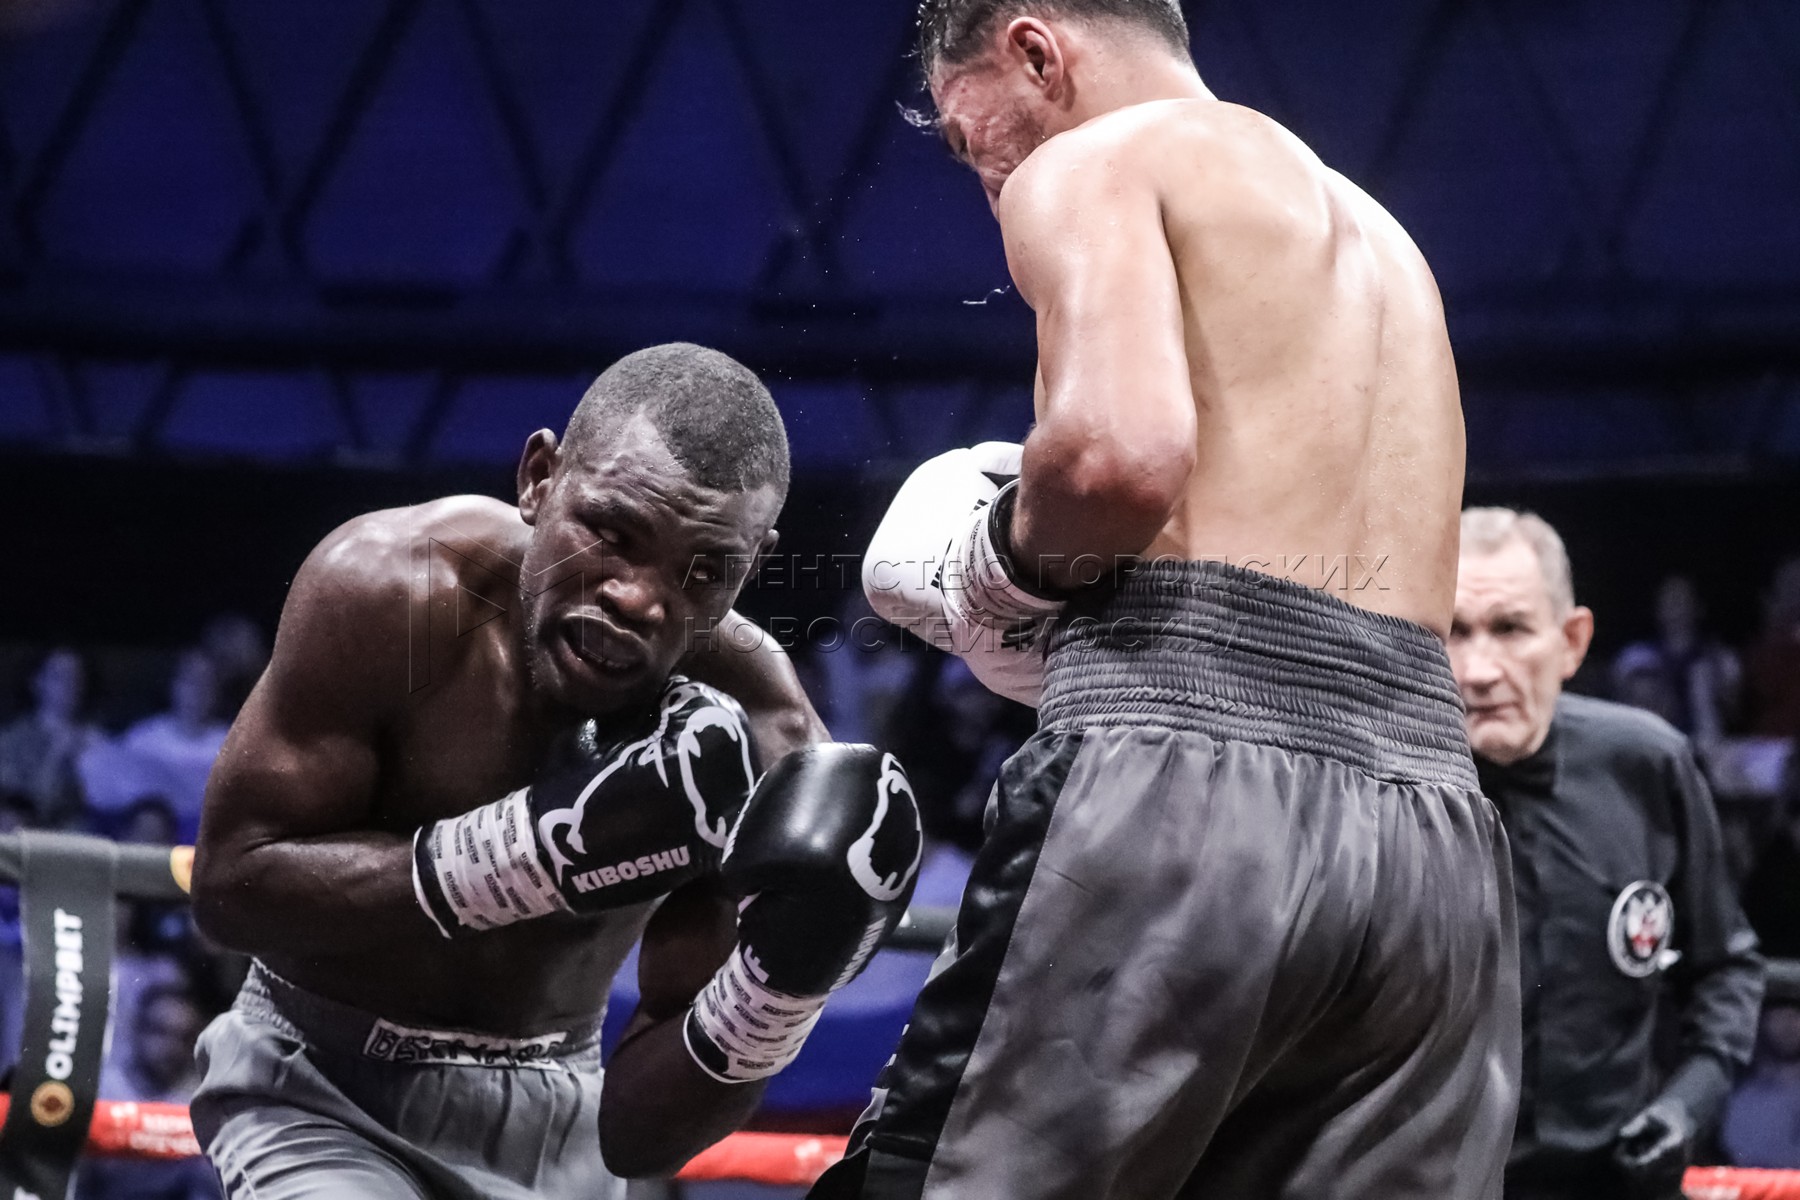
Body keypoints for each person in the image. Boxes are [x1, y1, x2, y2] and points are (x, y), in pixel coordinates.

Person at [829, 3, 1518, 1196]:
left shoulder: (1101, 160)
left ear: (1035, 50)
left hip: (1188, 791)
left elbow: (1116, 457)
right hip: (1433, 841)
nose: (990, 186)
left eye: (974, 143)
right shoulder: (1388, 245)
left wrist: (995, 569)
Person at [189, 344, 924, 1200]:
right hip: (320, 1081)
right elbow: (229, 892)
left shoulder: (760, 735)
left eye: (704, 570)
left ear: (752, 565)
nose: (639, 598)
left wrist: (774, 998)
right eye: (611, 534)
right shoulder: (395, 592)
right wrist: (531, 854)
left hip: (561, 1117)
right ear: (539, 479)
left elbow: (640, 1140)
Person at [1449, 507, 1765, 1200]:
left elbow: (1725, 968)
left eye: (1510, 629)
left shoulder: (1647, 765)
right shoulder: (1379, 790)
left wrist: (1687, 1102)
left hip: (1615, 1181)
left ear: (1571, 641)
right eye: (1454, 631)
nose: (1478, 669)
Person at [78, 982, 222, 1200]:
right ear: (137, 1029)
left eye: (184, 1038)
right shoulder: (98, 1089)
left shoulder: (200, 1106)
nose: (170, 1048)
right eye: (160, 1032)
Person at [1611, 576, 1740, 752]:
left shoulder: (1722, 659)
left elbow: (1734, 715)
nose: (1676, 608)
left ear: (1698, 607)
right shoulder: (1635, 658)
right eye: (1670, 599)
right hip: (1652, 745)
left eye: (1683, 599)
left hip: (1710, 747)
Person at [0, 647, 98, 828]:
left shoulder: (95, 738)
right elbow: (28, 801)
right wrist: (57, 756)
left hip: (83, 832)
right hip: (30, 830)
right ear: (37, 682)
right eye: (59, 677)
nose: (69, 686)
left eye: (76, 678)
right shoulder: (11, 741)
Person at [1720, 1003, 1800, 1170]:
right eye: (1779, 1014)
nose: (1789, 1024)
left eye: (1796, 1015)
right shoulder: (1736, 1083)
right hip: (1742, 1179)